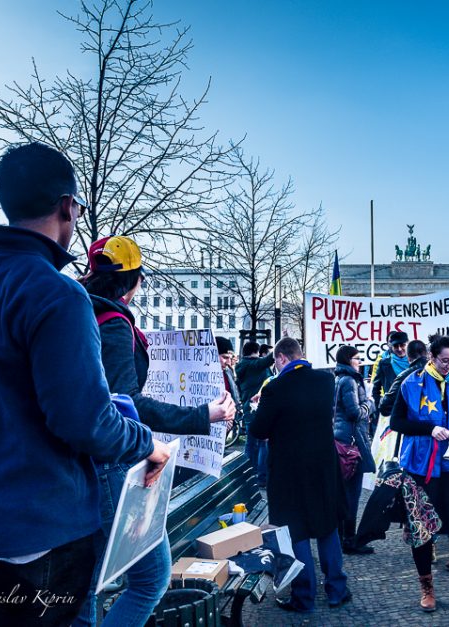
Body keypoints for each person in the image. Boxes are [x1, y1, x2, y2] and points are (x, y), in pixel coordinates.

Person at [0, 142, 169, 626]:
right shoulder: (57, 293)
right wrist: (147, 443)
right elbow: (86, 422)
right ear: (68, 206)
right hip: (39, 533)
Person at [76, 235, 236, 626]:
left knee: (83, 587)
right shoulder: (113, 325)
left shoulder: (82, 315)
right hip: (114, 466)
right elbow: (125, 404)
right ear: (136, 281)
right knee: (151, 578)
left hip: (84, 463)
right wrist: (205, 415)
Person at [249, 338, 350, 613]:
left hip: (289, 471)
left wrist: (262, 407)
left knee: (297, 531)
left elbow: (258, 430)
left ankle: (304, 596)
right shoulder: (325, 380)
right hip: (324, 466)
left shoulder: (275, 388)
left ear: (281, 358)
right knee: (327, 526)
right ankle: (336, 590)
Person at [390, 336, 449, 612]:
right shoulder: (411, 383)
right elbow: (396, 421)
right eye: (445, 361)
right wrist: (429, 429)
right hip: (421, 464)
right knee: (422, 528)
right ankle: (426, 587)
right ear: (432, 356)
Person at [333, 345, 377, 555]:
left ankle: (343, 537)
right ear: (348, 360)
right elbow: (354, 412)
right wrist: (370, 403)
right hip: (352, 444)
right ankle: (349, 540)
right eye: (357, 359)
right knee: (352, 493)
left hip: (341, 441)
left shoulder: (339, 378)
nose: (360, 362)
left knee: (344, 492)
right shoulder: (350, 380)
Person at [237, 341, 275, 486]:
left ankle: (248, 474)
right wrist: (282, 343)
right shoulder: (252, 365)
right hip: (258, 408)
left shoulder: (242, 365)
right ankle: (261, 477)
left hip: (248, 408)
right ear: (256, 351)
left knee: (251, 443)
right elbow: (267, 361)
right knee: (262, 444)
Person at [371, 330, 409, 411]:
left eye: (402, 345)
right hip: (392, 410)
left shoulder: (417, 362)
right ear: (391, 346)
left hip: (413, 410)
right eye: (395, 346)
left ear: (407, 344)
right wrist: (380, 406)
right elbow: (375, 388)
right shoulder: (384, 363)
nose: (399, 349)